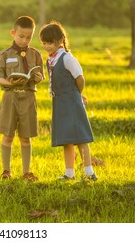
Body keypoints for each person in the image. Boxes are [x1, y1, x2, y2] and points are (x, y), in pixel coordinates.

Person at [39, 21, 97, 181]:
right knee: (66, 139)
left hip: (71, 101)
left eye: (49, 43)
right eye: (44, 43)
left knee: (81, 137)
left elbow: (80, 78)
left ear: (59, 41)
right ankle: (69, 173)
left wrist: (78, 94)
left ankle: (89, 172)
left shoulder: (67, 59)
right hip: (59, 102)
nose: (46, 46)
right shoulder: (51, 60)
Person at [0, 16, 45, 181]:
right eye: (21, 36)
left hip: (28, 97)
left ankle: (26, 172)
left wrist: (38, 77)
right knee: (8, 135)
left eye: (28, 37)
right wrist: (7, 82)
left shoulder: (36, 54)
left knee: (26, 137)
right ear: (13, 33)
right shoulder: (5, 55)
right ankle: (6, 171)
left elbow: (40, 76)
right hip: (10, 97)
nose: (24, 40)